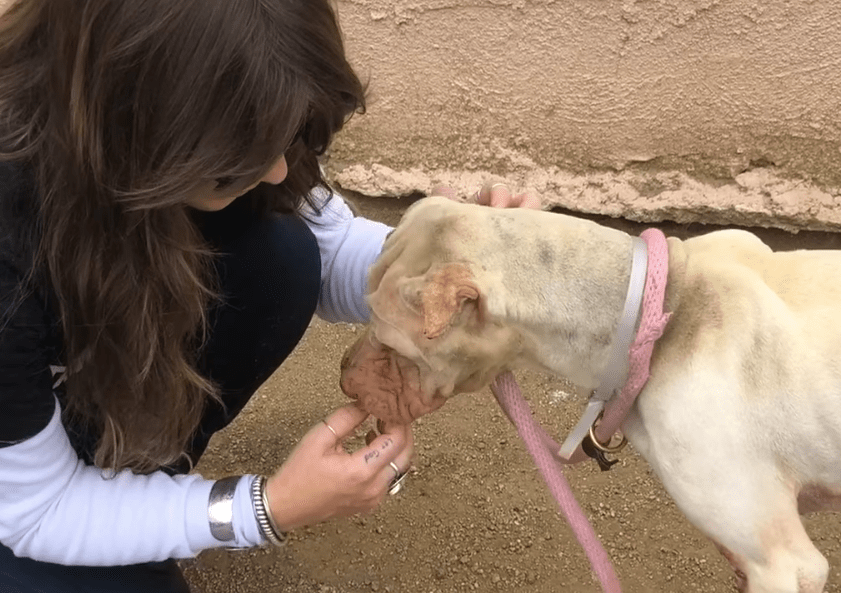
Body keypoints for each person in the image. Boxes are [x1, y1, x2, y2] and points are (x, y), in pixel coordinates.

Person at [0, 1, 536, 591]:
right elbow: (39, 510)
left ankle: (129, 498)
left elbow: (329, 251)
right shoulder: (12, 232)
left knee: (278, 257)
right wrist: (264, 507)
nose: (281, 170)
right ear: (140, 121)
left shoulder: (169, 116)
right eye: (239, 158)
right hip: (22, 495)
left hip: (48, 382)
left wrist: (446, 270)